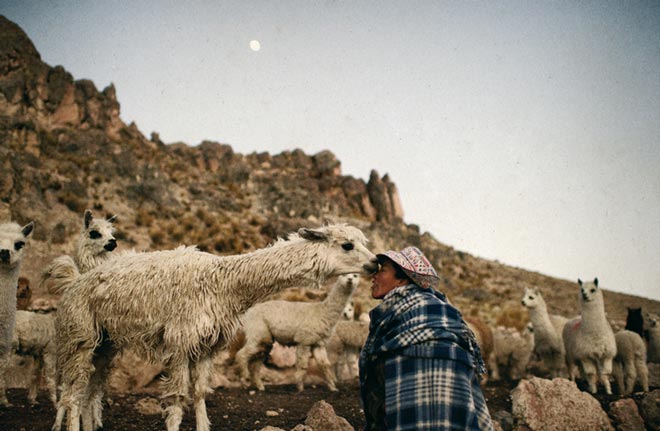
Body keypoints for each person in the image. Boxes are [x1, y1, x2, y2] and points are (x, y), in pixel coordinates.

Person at [359, 246, 493, 431]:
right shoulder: (443, 313)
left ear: (402, 279)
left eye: (383, 270)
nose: (374, 275)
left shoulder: (405, 316)